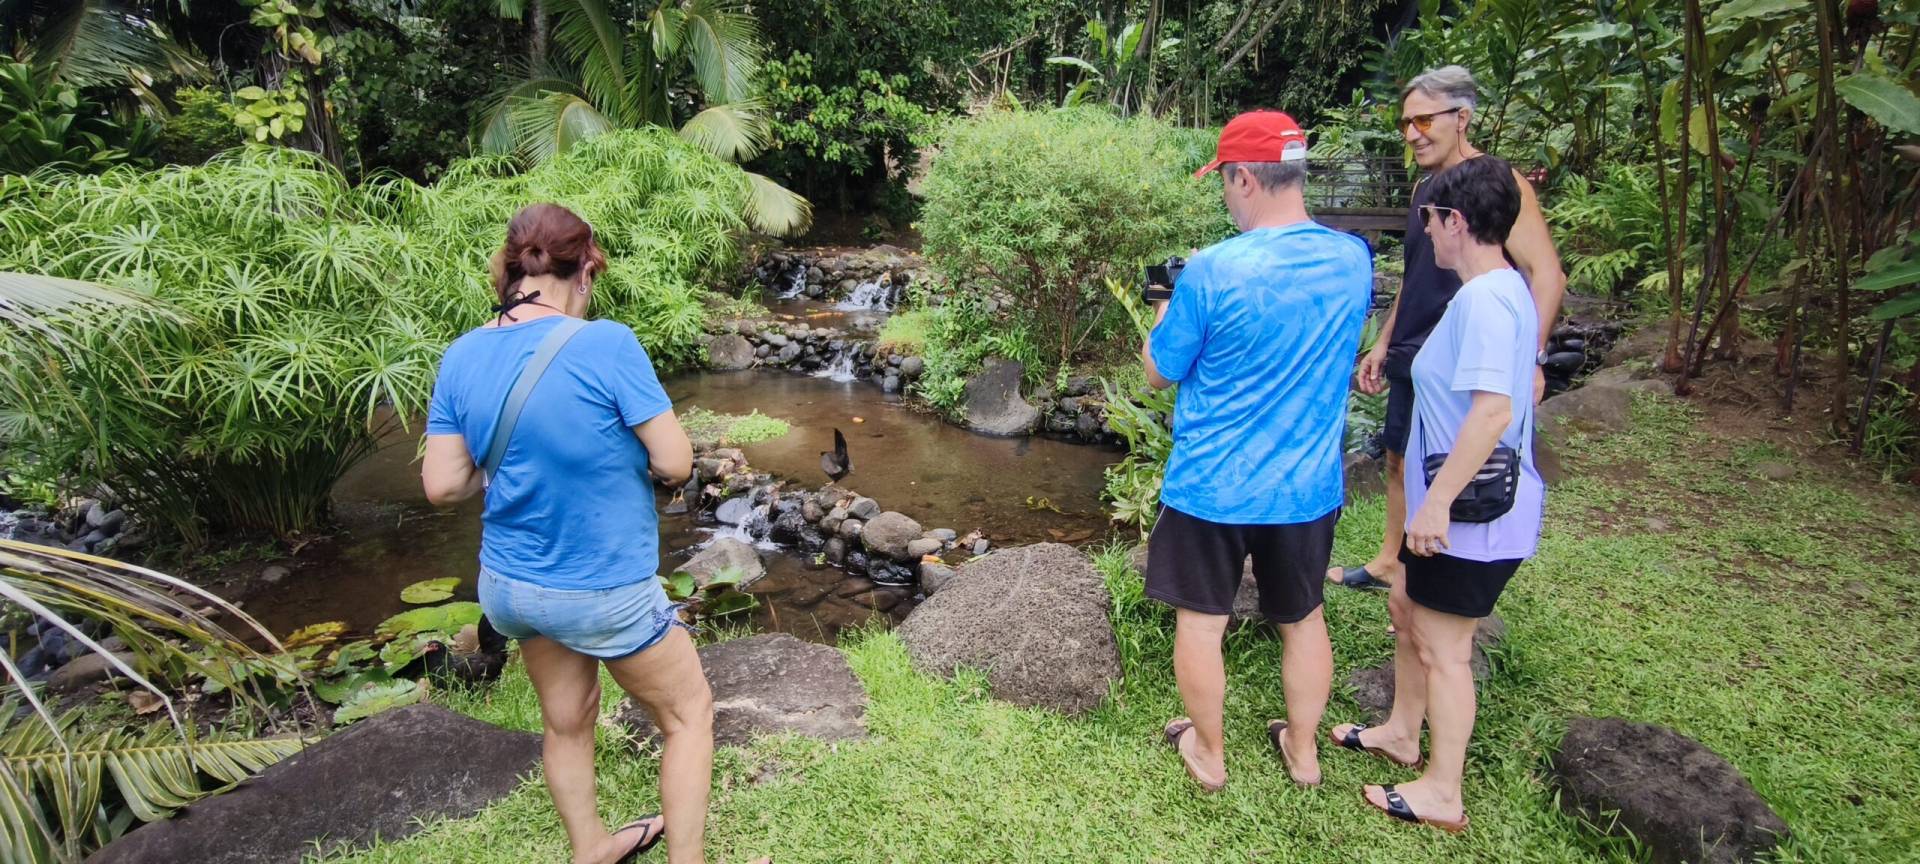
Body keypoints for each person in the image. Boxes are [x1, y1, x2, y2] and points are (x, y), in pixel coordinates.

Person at [422, 204, 762, 864]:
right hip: (600, 587)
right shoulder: (606, 343)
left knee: (566, 721)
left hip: (514, 589)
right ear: (587, 269)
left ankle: (592, 849)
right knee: (689, 714)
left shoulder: (462, 354)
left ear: (513, 271)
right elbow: (675, 462)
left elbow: (442, 485)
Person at [1143, 111, 1373, 790]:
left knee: (1203, 622)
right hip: (1305, 488)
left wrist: (1164, 297)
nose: (1225, 195)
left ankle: (1210, 756)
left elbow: (1159, 370)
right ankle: (1303, 754)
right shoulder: (1352, 258)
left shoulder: (1213, 270)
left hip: (1212, 484)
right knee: (1302, 619)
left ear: (1245, 177)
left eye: (1224, 182)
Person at [1329, 156, 1546, 833]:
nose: (1429, 237)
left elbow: (1490, 414)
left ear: (1456, 221)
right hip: (1460, 508)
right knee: (1406, 612)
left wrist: (1435, 504)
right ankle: (1400, 729)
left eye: (1430, 223)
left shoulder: (1483, 300)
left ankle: (1443, 791)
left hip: (1470, 516)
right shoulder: (1501, 289)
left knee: (1446, 649)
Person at [1328, 65, 1565, 593]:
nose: (1413, 133)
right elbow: (1416, 272)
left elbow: (1546, 272)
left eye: (1424, 120)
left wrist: (1532, 358)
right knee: (1399, 456)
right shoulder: (1423, 188)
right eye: (1406, 123)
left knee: (1457, 466)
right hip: (1418, 349)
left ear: (1462, 118)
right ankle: (1394, 561)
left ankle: (1443, 581)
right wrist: (1385, 343)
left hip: (1471, 356)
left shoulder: (1498, 184)